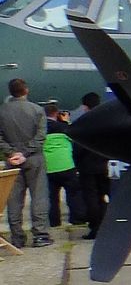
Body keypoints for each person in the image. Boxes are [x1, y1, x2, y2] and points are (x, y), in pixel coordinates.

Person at [0, 77, 52, 247]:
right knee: (39, 197)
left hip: (11, 159)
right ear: (26, 90)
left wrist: (12, 152)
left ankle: (17, 237)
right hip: (34, 158)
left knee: (14, 200)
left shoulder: (2, 111)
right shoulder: (37, 110)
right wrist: (25, 152)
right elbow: (41, 136)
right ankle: (40, 235)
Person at [71, 92, 112, 240]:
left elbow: (78, 147)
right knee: (105, 197)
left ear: (85, 107)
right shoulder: (107, 120)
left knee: (91, 198)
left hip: (87, 167)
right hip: (104, 165)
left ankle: (95, 227)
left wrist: (77, 164)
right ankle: (107, 225)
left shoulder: (83, 122)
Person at [43, 105, 83, 232]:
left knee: (52, 197)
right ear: (56, 113)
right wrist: (66, 121)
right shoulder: (64, 128)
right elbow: (75, 136)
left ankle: (54, 221)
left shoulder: (41, 129)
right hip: (66, 165)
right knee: (73, 193)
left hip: (49, 167)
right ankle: (76, 218)